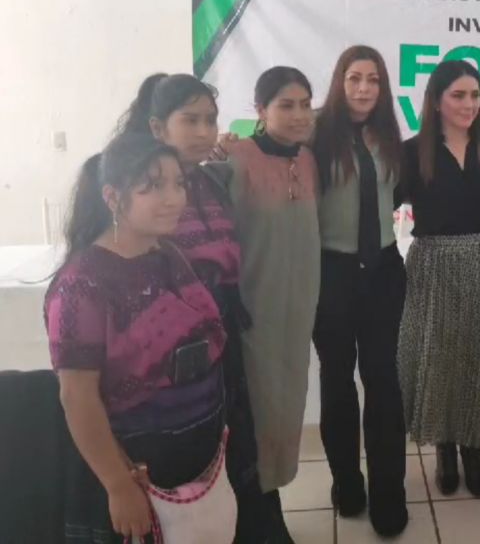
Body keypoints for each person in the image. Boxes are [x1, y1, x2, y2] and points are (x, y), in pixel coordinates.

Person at [46, 133, 232, 543]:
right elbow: (77, 397)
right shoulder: (82, 284)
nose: (174, 199)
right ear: (113, 198)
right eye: (153, 186)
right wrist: (118, 485)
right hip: (136, 471)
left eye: (178, 184)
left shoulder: (166, 253)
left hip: (198, 462)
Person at [118, 73, 262, 542]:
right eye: (191, 120)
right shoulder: (137, 191)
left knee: (231, 440)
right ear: (157, 127)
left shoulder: (209, 179)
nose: (204, 131)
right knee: (184, 460)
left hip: (221, 326)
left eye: (211, 120)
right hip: (169, 346)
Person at [206, 66, 321, 542]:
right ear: (260, 110)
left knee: (285, 408)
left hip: (297, 314)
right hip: (251, 312)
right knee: (253, 413)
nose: (298, 115)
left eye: (304, 104)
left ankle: (270, 507)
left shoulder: (309, 159)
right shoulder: (235, 158)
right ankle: (255, 520)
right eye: (285, 105)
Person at [398, 59, 480, 497]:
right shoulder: (413, 152)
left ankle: (472, 448)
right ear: (435, 101)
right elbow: (378, 197)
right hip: (431, 264)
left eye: (475, 95)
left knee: (479, 357)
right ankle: (444, 448)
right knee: (440, 357)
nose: (469, 104)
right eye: (458, 95)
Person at [311, 46, 408, 536]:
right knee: (336, 381)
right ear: (340, 81)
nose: (364, 88)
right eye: (355, 78)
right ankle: (347, 483)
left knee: (384, 382)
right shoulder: (314, 133)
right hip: (332, 272)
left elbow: (403, 192)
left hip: (384, 272)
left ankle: (389, 493)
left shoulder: (389, 134)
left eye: (373, 79)